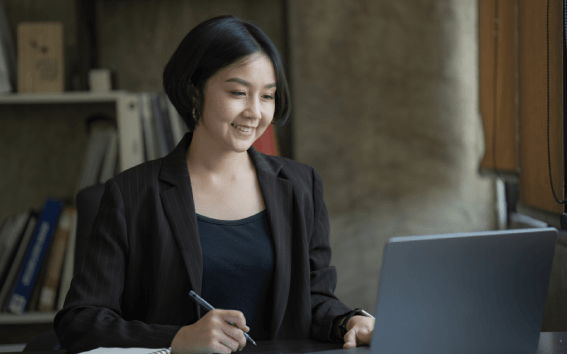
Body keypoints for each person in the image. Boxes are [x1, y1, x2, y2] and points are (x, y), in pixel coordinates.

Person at [54, 15, 374, 354]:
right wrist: (176, 339)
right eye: (238, 92)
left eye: (267, 96)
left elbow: (314, 299)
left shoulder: (301, 185)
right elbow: (79, 321)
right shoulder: (131, 194)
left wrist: (348, 321)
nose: (255, 112)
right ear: (194, 92)